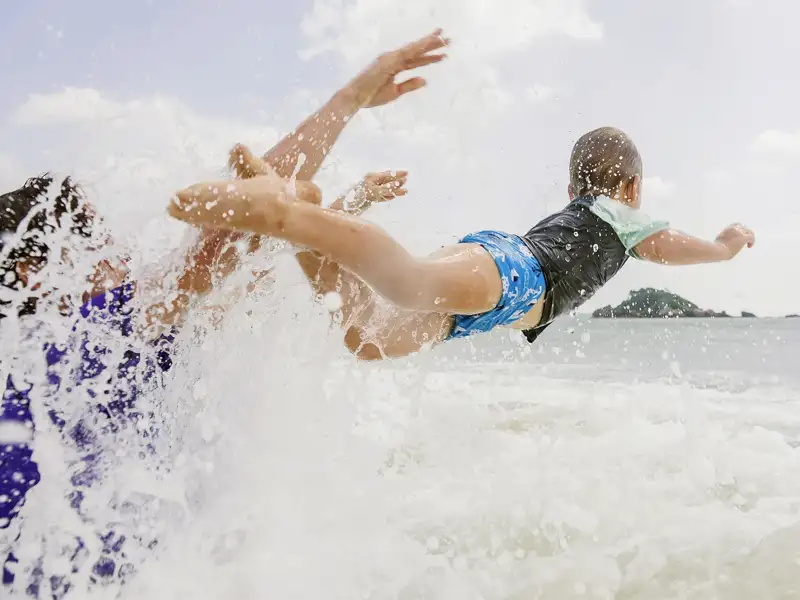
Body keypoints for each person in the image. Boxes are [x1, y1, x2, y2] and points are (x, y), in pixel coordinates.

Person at [168, 29, 756, 361]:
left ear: (571, 186)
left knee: (367, 338)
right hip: (515, 270)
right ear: (631, 187)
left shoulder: (592, 208)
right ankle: (285, 216)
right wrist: (725, 247)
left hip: (481, 309)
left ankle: (307, 217)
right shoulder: (625, 218)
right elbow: (679, 249)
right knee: (407, 280)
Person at [1, 136, 411, 598]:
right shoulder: (68, 343)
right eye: (95, 238)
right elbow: (220, 249)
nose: (115, 246)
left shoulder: (113, 344)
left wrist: (341, 205)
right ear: (35, 272)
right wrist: (355, 97)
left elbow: (255, 267)